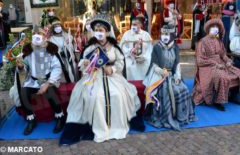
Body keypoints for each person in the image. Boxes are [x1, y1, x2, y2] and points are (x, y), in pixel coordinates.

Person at [60, 15, 144, 145]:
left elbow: (121, 63)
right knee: (94, 96)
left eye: (101, 30)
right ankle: (96, 126)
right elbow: (82, 64)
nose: (99, 32)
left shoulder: (114, 47)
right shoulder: (90, 47)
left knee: (118, 95)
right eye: (97, 30)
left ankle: (115, 126)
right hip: (94, 77)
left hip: (112, 77)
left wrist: (113, 69)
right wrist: (87, 63)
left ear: (107, 31)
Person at [143, 25, 196, 131]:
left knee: (183, 89)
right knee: (166, 92)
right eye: (163, 34)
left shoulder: (175, 47)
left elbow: (177, 64)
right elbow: (154, 65)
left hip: (172, 76)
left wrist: (177, 76)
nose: (164, 36)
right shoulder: (157, 47)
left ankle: (179, 115)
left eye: (167, 34)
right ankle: (165, 116)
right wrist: (162, 72)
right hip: (159, 76)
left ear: (172, 35)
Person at [16, 27, 65, 135]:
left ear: (45, 36)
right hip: (33, 81)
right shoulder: (28, 50)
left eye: (40, 33)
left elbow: (57, 67)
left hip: (48, 79)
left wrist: (47, 84)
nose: (37, 35)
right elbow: (25, 68)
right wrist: (21, 67)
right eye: (35, 33)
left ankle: (59, 116)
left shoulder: (51, 49)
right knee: (23, 92)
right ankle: (31, 119)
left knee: (50, 92)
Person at [193, 18, 240, 111]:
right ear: (208, 28)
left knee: (238, 72)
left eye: (217, 27)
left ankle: (233, 95)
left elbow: (223, 55)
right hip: (207, 66)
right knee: (222, 77)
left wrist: (228, 61)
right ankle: (219, 101)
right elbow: (200, 60)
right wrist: (215, 64)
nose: (215, 29)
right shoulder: (202, 42)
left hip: (221, 64)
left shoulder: (219, 41)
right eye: (213, 27)